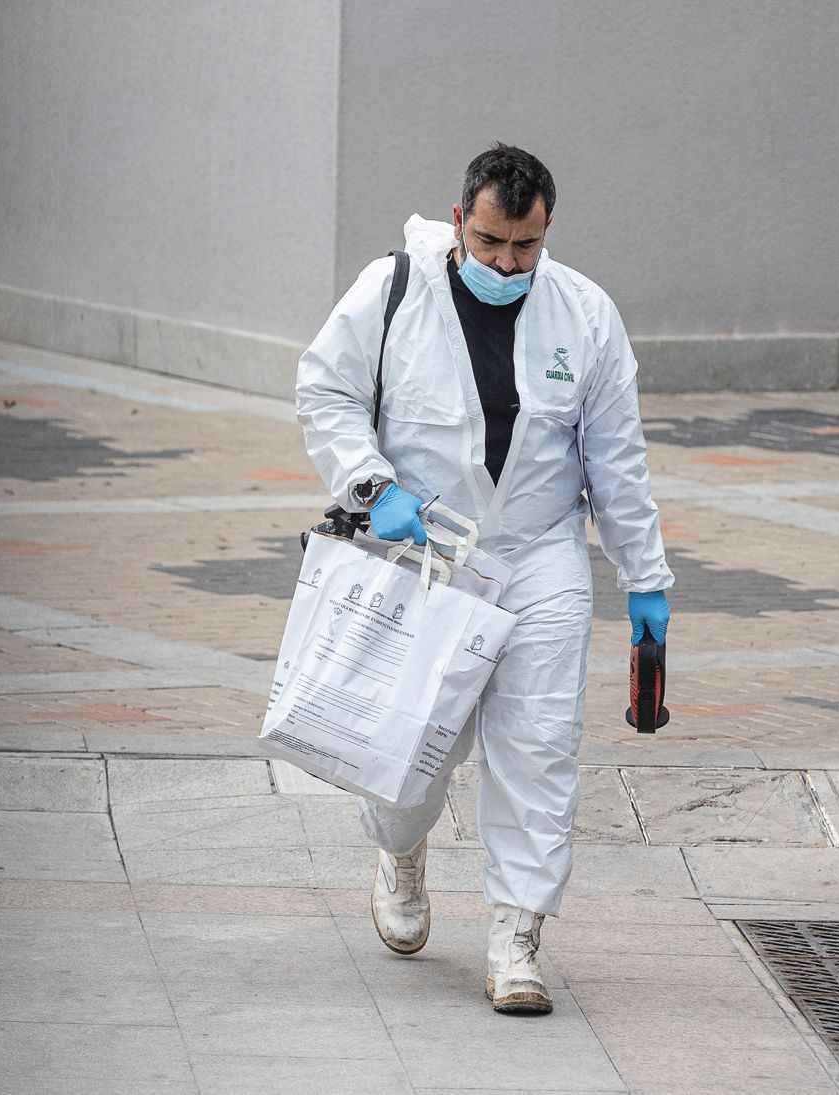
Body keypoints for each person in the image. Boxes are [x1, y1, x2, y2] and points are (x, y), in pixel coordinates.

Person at [295, 144, 674, 1015]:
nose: (508, 263)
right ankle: (400, 850)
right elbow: (326, 390)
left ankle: (517, 935)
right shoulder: (392, 290)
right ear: (459, 218)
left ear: (547, 233)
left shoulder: (585, 315)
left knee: (540, 746)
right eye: (494, 241)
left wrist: (645, 582)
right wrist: (371, 483)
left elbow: (617, 460)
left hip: (541, 552)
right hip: (424, 549)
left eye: (527, 246)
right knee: (411, 754)